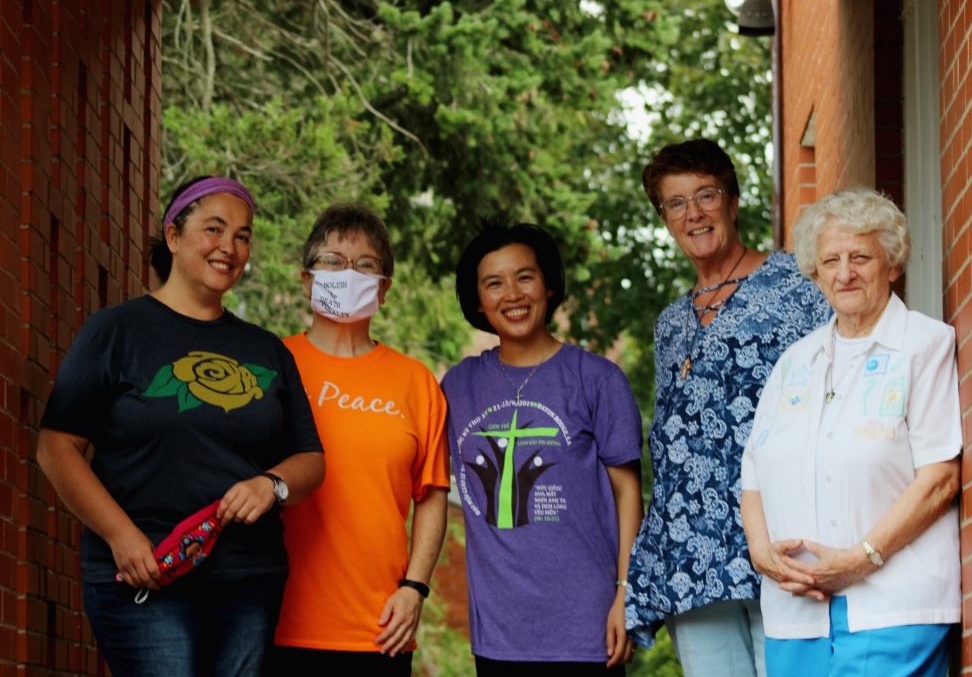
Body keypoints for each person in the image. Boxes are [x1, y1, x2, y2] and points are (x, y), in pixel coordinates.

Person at [36, 176, 326, 676]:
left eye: (242, 235)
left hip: (248, 579)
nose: (229, 247)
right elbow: (56, 449)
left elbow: (310, 459)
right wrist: (121, 538)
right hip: (146, 574)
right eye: (214, 229)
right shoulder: (114, 332)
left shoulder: (267, 350)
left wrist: (270, 485)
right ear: (173, 235)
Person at [625, 138, 831, 675]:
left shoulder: (799, 286)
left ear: (733, 203)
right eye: (675, 203)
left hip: (782, 540)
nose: (693, 213)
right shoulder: (670, 323)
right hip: (693, 556)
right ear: (665, 218)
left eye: (706, 195)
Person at [740, 188, 960, 676]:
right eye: (830, 260)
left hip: (894, 606)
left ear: (893, 264)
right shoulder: (793, 361)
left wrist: (862, 558)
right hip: (795, 615)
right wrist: (762, 555)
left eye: (860, 256)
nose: (844, 273)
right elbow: (752, 471)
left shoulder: (924, 345)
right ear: (815, 272)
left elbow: (940, 478)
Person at [441, 218, 644, 676]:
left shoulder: (596, 379)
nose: (511, 295)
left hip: (588, 629)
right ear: (478, 301)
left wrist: (626, 594)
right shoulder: (458, 387)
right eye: (494, 283)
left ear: (549, 285)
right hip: (500, 635)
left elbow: (628, 495)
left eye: (524, 277)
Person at [270, 204, 449, 676]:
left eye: (365, 265)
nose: (347, 273)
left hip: (380, 631)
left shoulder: (416, 383)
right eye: (332, 260)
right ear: (307, 280)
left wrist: (415, 588)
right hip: (270, 622)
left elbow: (432, 495)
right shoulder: (270, 365)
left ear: (384, 288)